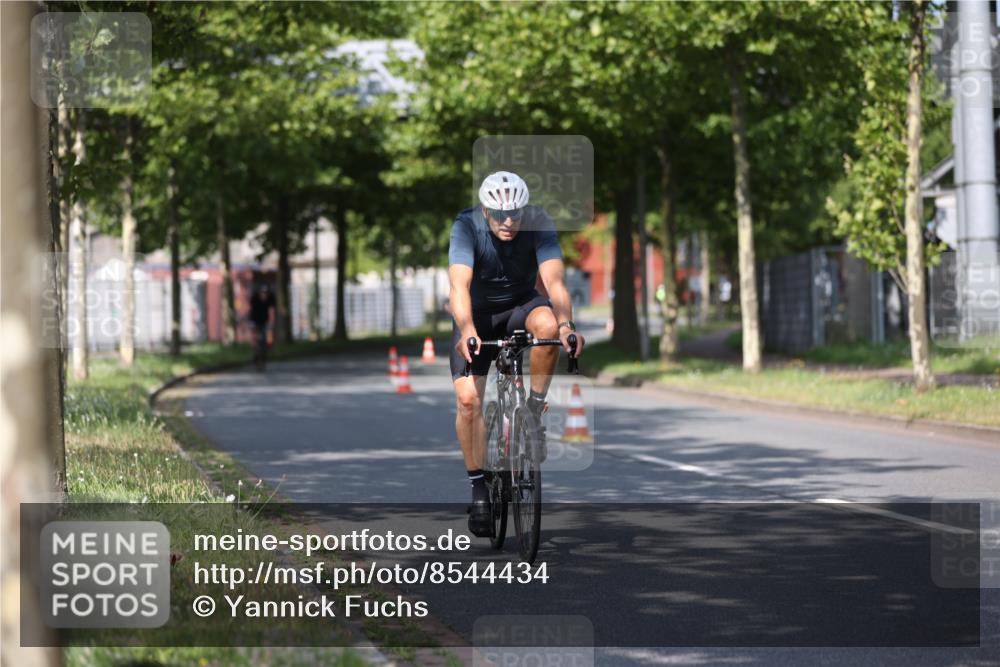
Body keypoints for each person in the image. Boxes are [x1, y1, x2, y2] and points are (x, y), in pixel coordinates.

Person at [448, 171, 585, 536]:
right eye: (499, 214)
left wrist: (567, 325)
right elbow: (459, 285)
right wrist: (467, 330)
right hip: (476, 316)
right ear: (485, 210)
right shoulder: (466, 226)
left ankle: (533, 412)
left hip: (521, 306)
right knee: (468, 402)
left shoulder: (538, 222)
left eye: (515, 213)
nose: (508, 221)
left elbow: (554, 281)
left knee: (549, 327)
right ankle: (479, 487)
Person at [248, 283, 275, 369]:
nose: (264, 295)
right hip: (255, 320)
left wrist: (271, 323)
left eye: (266, 293)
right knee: (256, 340)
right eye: (262, 293)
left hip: (265, 321)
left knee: (266, 341)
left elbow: (272, 311)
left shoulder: (271, 298)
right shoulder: (254, 298)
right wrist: (252, 323)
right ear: (259, 293)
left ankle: (263, 358)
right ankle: (256, 356)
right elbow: (251, 312)